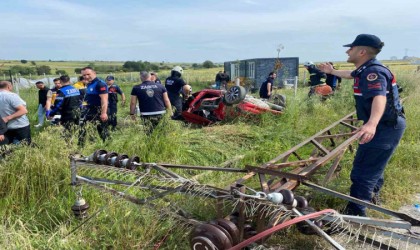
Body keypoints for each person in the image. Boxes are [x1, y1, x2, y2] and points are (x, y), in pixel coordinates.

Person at [318, 34, 406, 216]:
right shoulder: (365, 69)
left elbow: (379, 97)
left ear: (362, 51)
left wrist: (372, 124)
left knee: (363, 171)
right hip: (388, 125)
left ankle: (356, 215)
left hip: (385, 127)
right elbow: (350, 74)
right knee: (374, 166)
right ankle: (372, 198)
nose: (347, 51)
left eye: (351, 48)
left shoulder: (373, 73)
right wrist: (331, 71)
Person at [79, 67, 108, 145]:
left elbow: (104, 100)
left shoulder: (100, 84)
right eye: (84, 75)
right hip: (89, 111)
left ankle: (108, 147)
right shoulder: (89, 84)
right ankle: (81, 147)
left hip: (98, 111)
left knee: (102, 132)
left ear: (94, 73)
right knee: (84, 130)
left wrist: (103, 113)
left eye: (88, 74)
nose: (86, 76)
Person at [0, 81, 31, 145]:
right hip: (19, 125)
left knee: (6, 147)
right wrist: (7, 118)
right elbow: (23, 110)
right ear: (9, 87)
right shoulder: (11, 96)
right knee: (25, 145)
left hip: (4, 127)